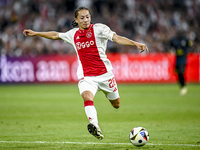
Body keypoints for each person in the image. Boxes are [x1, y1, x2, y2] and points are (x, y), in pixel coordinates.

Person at [23, 6, 149, 140]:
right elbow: (55, 35)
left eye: (87, 17)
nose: (85, 20)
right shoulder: (73, 34)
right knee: (87, 96)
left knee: (116, 104)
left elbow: (116, 38)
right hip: (87, 77)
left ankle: (99, 117)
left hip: (105, 75)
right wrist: (36, 33)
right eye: (82, 18)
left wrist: (135, 43)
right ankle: (95, 125)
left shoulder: (100, 29)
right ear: (76, 20)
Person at [169, 30, 193, 96]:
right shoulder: (174, 40)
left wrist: (187, 52)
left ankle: (183, 86)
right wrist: (171, 50)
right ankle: (181, 84)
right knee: (177, 73)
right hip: (177, 58)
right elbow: (169, 45)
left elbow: (191, 46)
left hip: (183, 58)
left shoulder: (185, 40)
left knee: (181, 72)